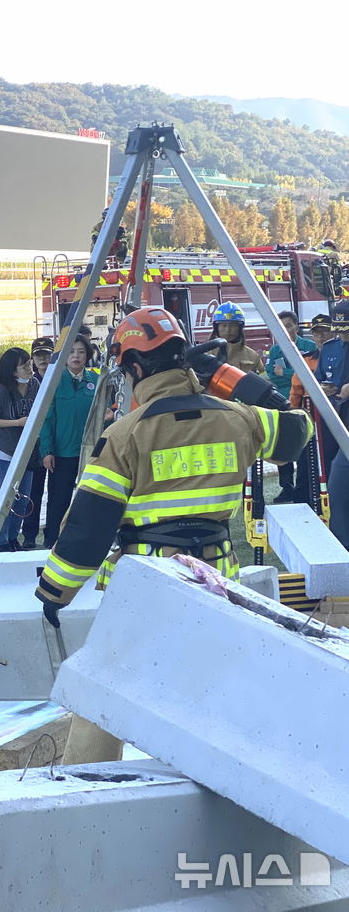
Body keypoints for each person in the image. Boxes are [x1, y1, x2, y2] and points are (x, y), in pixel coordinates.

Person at [35, 306, 313, 764]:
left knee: (103, 690)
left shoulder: (125, 435)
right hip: (217, 582)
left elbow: (88, 527)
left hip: (145, 588)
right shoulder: (237, 418)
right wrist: (230, 379)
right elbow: (294, 432)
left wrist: (54, 590)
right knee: (214, 693)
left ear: (136, 369)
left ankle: (87, 784)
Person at [40, 336, 97, 549]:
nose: (76, 356)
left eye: (81, 351)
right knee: (58, 499)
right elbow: (46, 419)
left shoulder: (95, 381)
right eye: (71, 351)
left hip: (88, 453)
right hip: (62, 453)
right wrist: (47, 450)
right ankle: (52, 540)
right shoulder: (54, 381)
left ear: (87, 355)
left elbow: (106, 410)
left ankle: (85, 540)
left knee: (88, 498)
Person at [0, 347, 39, 552]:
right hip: (6, 451)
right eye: (24, 365)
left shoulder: (34, 384)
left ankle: (13, 537)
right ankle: (2, 541)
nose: (29, 368)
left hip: (27, 451)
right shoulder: (1, 391)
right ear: (13, 371)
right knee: (8, 497)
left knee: (23, 501)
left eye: (29, 363)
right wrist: (17, 422)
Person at [266, 310, 317, 503]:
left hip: (304, 402)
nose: (285, 330)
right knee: (283, 446)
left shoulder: (308, 346)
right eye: (281, 326)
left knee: (306, 447)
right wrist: (292, 374)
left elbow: (307, 375)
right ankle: (287, 487)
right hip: (282, 402)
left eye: (288, 325)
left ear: (296, 325)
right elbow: (272, 374)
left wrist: (286, 373)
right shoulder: (275, 350)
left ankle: (307, 487)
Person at [318, 301, 349, 550]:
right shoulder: (333, 347)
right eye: (340, 329)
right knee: (336, 494)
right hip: (340, 425)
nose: (342, 335)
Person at [21, 337, 54, 549]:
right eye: (38, 355)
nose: (42, 359)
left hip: (56, 444)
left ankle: (53, 533)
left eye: (46, 354)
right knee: (33, 493)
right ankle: (29, 535)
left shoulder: (59, 377)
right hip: (34, 447)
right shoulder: (29, 383)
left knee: (56, 493)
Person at [210, 302, 265, 374]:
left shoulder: (253, 357)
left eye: (233, 325)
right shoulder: (205, 354)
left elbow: (264, 381)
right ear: (216, 327)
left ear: (240, 327)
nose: (228, 330)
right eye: (224, 325)